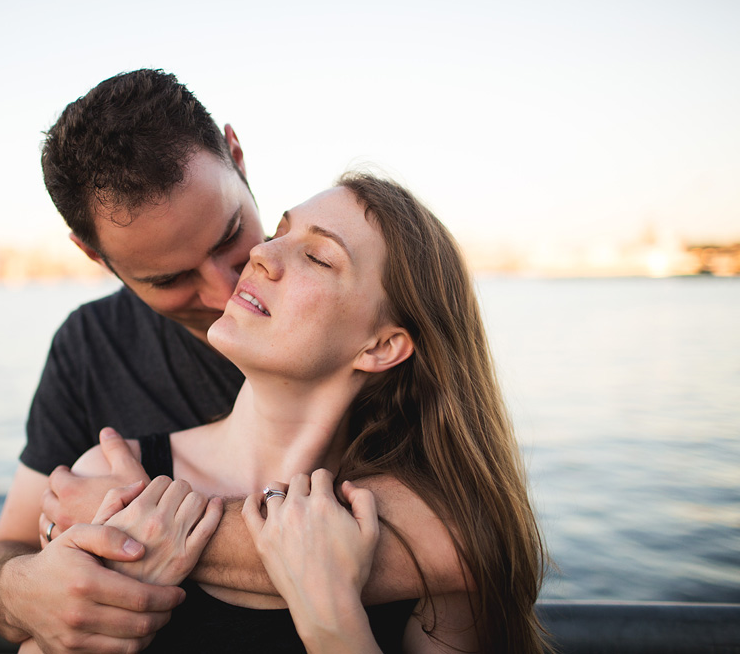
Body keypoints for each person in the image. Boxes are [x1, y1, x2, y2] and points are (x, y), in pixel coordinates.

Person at [0, 70, 470, 653]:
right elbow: (9, 549)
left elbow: (466, 538)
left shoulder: (394, 389)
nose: (223, 287)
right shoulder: (91, 356)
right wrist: (24, 590)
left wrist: (160, 525)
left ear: (236, 156)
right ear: (94, 254)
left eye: (232, 234)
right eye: (170, 279)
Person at [35, 172, 549, 652]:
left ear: (381, 346)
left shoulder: (437, 543)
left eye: (319, 258)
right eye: (278, 232)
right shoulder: (105, 478)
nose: (260, 254)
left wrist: (333, 623)